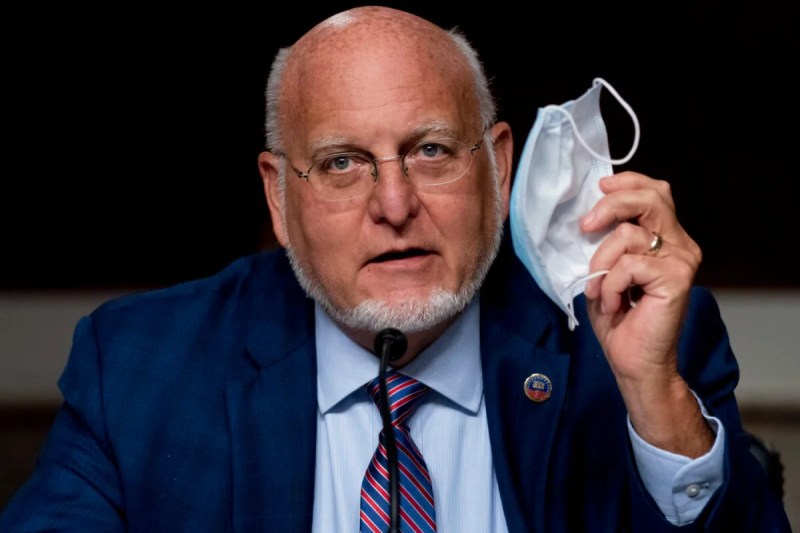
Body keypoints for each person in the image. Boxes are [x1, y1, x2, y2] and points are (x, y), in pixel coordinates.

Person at [0, 5, 791, 532]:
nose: (394, 201)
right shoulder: (139, 370)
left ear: (498, 166)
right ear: (279, 197)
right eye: (344, 163)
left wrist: (657, 403)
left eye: (432, 151)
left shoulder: (626, 341)